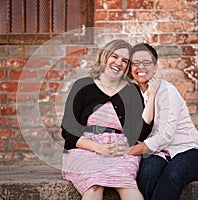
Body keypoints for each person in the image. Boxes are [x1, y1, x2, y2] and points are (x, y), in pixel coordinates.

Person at [61, 39, 157, 200]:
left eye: (125, 61)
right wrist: (99, 148)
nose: (119, 63)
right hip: (85, 148)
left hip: (121, 149)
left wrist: (152, 95)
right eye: (115, 56)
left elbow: (139, 135)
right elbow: (68, 130)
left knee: (126, 185)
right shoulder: (83, 86)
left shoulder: (131, 90)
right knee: (94, 186)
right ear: (105, 57)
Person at [128, 43, 198, 200]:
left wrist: (128, 151)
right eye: (135, 63)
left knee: (172, 173)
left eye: (146, 62)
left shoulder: (167, 91)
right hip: (158, 153)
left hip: (190, 152)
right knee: (147, 174)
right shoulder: (133, 94)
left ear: (155, 67)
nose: (140, 67)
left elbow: (165, 136)